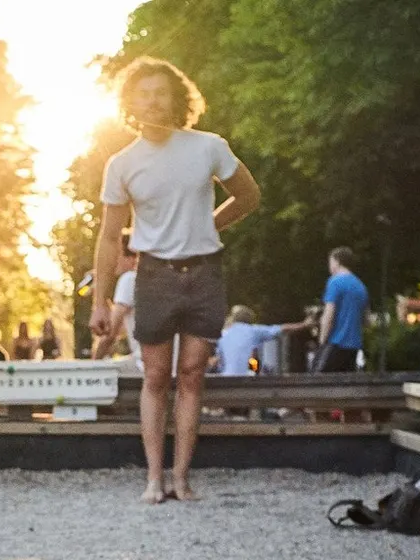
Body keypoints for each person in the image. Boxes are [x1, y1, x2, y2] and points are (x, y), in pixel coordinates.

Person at [90, 56, 261, 503]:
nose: (152, 100)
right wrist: (100, 302)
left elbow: (249, 195)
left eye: (161, 92)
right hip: (154, 276)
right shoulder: (122, 163)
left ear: (177, 99)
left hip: (204, 272)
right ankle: (153, 478)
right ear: (130, 101)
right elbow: (109, 237)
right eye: (143, 92)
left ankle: (182, 477)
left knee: (191, 376)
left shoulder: (208, 147)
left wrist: (208, 226)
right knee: (156, 377)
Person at [93, 232, 179, 375]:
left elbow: (110, 335)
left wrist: (91, 365)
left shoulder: (129, 279)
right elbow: (122, 331)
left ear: (131, 257)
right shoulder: (162, 280)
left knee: (101, 372)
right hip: (174, 367)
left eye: (117, 255)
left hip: (146, 367)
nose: (113, 261)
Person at [311, 246, 369, 373]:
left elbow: (329, 315)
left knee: (316, 382)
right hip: (353, 347)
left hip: (335, 343)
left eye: (330, 262)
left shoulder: (335, 282)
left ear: (336, 261)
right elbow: (366, 320)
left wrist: (322, 341)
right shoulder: (361, 286)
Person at [214, 305, 313, 375]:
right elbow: (282, 329)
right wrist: (304, 325)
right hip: (245, 377)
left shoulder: (223, 333)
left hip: (226, 377)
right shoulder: (253, 330)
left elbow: (219, 360)